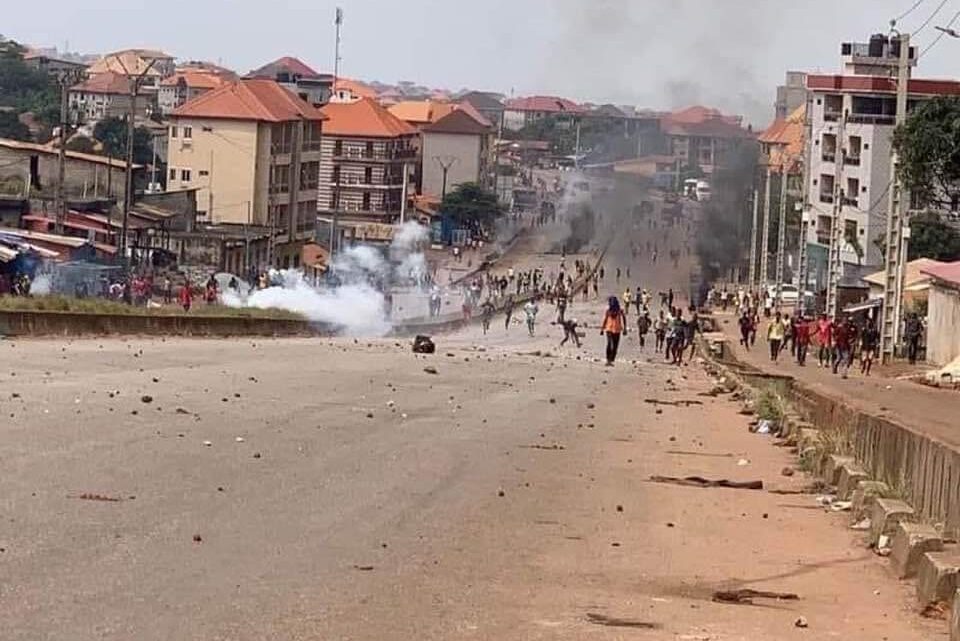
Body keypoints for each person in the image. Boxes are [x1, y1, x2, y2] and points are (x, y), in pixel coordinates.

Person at [601, 296, 627, 366]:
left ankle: (611, 360)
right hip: (609, 329)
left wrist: (625, 328)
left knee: (615, 346)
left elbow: (624, 318)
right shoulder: (608, 310)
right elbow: (605, 319)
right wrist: (602, 329)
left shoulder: (619, 310)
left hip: (617, 330)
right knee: (610, 344)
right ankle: (608, 359)